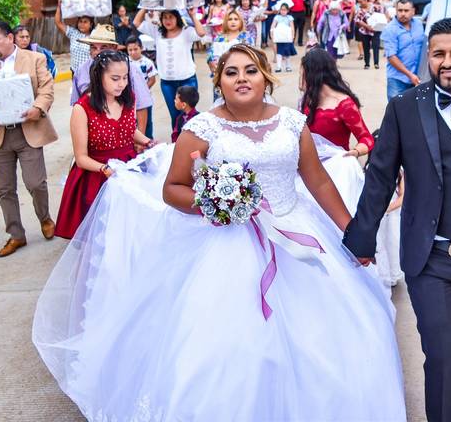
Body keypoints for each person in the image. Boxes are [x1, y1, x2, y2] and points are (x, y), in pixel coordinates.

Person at [32, 44, 405, 421]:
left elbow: (319, 182)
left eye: (250, 70)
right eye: (231, 72)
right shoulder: (202, 128)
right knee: (228, 349)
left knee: (325, 337)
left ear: (266, 77)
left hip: (297, 232)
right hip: (226, 242)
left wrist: (353, 232)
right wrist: (215, 202)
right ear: (220, 82)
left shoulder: (292, 123)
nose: (241, 78)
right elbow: (173, 188)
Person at [345, 18, 451, 422]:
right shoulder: (405, 107)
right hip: (430, 258)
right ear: (429, 57)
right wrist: (362, 238)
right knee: (442, 355)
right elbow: (381, 175)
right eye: (438, 53)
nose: (447, 62)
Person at [0, 21, 58, 258]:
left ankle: (45, 218)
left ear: (9, 38)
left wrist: (38, 109)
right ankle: (16, 235)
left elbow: (46, 89)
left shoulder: (34, 58)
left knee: (35, 183)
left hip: (27, 130)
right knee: (4, 189)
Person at [56, 51, 155, 239]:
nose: (122, 84)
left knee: (132, 231)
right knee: (103, 236)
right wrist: (105, 169)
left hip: (129, 170)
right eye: (115, 78)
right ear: (98, 76)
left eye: (125, 77)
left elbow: (126, 130)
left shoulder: (129, 98)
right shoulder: (82, 108)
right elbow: (81, 158)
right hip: (97, 178)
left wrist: (147, 141)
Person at [69, 26, 154, 136]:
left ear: (114, 48)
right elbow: (77, 105)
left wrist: (140, 137)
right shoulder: (81, 71)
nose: (97, 53)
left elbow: (141, 105)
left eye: (103, 47)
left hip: (126, 131)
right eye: (93, 47)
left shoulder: (130, 69)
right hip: (94, 134)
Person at [133, 7, 206, 132]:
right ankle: (176, 143)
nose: (168, 20)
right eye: (165, 17)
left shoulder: (186, 31)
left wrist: (193, 15)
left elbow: (201, 33)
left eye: (171, 17)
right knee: (175, 116)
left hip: (187, 81)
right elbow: (136, 23)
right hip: (167, 83)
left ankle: (192, 141)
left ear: (177, 18)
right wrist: (146, 6)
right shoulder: (157, 32)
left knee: (189, 115)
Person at [299, 48, 374, 156]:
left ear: (311, 74)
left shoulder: (345, 105)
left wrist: (355, 152)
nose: (302, 77)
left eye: (303, 72)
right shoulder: (309, 99)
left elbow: (366, 138)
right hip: (310, 164)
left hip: (335, 165)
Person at [380, 0, 426, 100]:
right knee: (397, 111)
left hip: (417, 77)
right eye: (400, 10)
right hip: (397, 80)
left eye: (406, 10)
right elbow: (391, 57)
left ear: (413, 11)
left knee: (414, 111)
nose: (403, 14)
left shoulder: (418, 25)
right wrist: (410, 75)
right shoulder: (390, 29)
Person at [125, 36, 158, 139]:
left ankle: (148, 140)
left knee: (146, 121)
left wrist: (142, 91)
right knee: (132, 121)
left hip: (145, 98)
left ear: (141, 48)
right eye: (130, 50)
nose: (133, 52)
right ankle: (134, 141)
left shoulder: (147, 62)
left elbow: (152, 79)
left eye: (135, 49)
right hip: (129, 98)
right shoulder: (125, 62)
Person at [53, 6, 94, 73]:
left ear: (91, 24)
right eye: (80, 21)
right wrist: (59, 7)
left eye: (85, 22)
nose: (82, 24)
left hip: (88, 72)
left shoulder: (95, 36)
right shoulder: (73, 33)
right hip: (74, 71)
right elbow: (58, 22)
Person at [208, 10, 249, 74]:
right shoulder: (219, 38)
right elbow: (210, 55)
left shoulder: (246, 38)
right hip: (221, 74)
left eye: (236, 19)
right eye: (230, 19)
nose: (233, 22)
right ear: (226, 22)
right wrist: (211, 63)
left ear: (240, 22)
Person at [354, 0, 384, 70]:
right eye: (358, 2)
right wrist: (367, 26)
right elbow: (357, 20)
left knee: (375, 46)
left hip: (375, 30)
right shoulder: (359, 10)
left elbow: (381, 15)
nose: (360, 4)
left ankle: (376, 63)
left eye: (361, 2)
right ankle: (367, 64)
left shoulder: (375, 7)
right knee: (366, 47)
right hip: (365, 31)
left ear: (366, 0)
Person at [269, 1, 297, 72]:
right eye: (281, 9)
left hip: (287, 38)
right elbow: (273, 25)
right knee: (279, 52)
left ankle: (288, 66)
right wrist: (271, 33)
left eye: (284, 10)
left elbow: (292, 27)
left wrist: (293, 36)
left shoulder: (290, 17)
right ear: (279, 10)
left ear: (287, 10)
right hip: (279, 38)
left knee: (287, 52)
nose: (283, 11)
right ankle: (278, 67)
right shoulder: (277, 17)